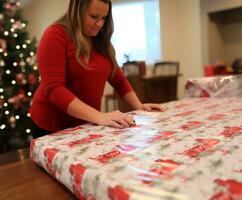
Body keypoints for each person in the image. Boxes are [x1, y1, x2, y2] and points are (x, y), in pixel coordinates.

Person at [30, 0, 165, 138]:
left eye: (104, 18)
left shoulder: (100, 40)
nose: (100, 24)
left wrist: (138, 106)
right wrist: (100, 116)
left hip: (86, 123)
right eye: (94, 17)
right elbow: (54, 89)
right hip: (52, 125)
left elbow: (118, 79)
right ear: (77, 11)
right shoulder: (55, 34)